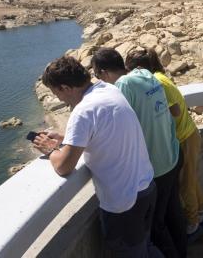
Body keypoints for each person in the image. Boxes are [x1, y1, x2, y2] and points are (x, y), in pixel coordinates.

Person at [32, 56, 161, 258]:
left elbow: (64, 166)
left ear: (66, 88)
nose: (58, 99)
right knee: (145, 246)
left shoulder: (83, 111)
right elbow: (104, 132)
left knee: (130, 253)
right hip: (145, 187)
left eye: (56, 92)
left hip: (123, 203)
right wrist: (67, 138)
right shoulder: (107, 89)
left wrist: (50, 150)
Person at [91, 48, 186, 258]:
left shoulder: (123, 86)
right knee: (173, 213)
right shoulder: (144, 74)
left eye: (98, 76)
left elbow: (115, 125)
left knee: (157, 227)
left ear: (103, 72)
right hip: (172, 154)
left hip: (157, 167)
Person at [125, 49, 203, 239]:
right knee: (191, 178)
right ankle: (202, 213)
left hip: (185, 137)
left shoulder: (157, 81)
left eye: (129, 70)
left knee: (186, 183)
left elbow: (176, 110)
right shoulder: (158, 77)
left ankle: (193, 222)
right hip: (187, 134)